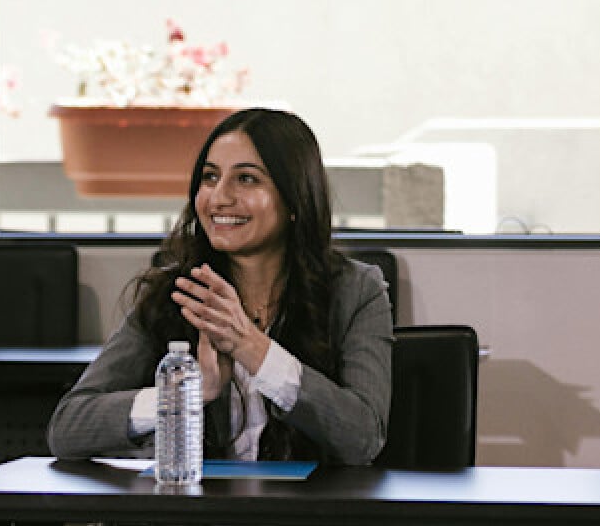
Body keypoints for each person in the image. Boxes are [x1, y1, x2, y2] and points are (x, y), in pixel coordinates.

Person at [48, 108, 393, 468]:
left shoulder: (356, 292)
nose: (219, 198)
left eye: (246, 179)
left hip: (315, 517)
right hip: (198, 519)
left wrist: (255, 350)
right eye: (210, 177)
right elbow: (68, 427)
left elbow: (363, 438)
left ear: (295, 199)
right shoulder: (177, 292)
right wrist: (184, 396)